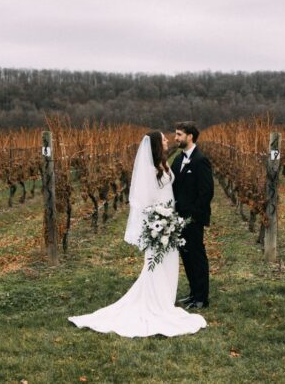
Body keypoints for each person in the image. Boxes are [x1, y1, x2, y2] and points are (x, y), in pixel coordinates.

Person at [68, 130, 207, 338]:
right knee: (156, 265)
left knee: (169, 264)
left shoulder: (166, 164)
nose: (168, 140)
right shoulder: (150, 170)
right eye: (164, 139)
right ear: (157, 146)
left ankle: (165, 300)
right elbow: (145, 202)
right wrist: (158, 222)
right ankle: (157, 303)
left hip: (169, 222)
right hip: (160, 226)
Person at [171, 121, 214, 310]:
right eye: (176, 134)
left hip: (193, 220)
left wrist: (193, 216)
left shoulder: (200, 160)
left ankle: (202, 298)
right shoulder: (178, 160)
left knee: (197, 257)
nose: (176, 137)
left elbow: (206, 192)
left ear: (190, 136)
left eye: (179, 134)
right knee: (186, 257)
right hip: (179, 219)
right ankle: (192, 293)